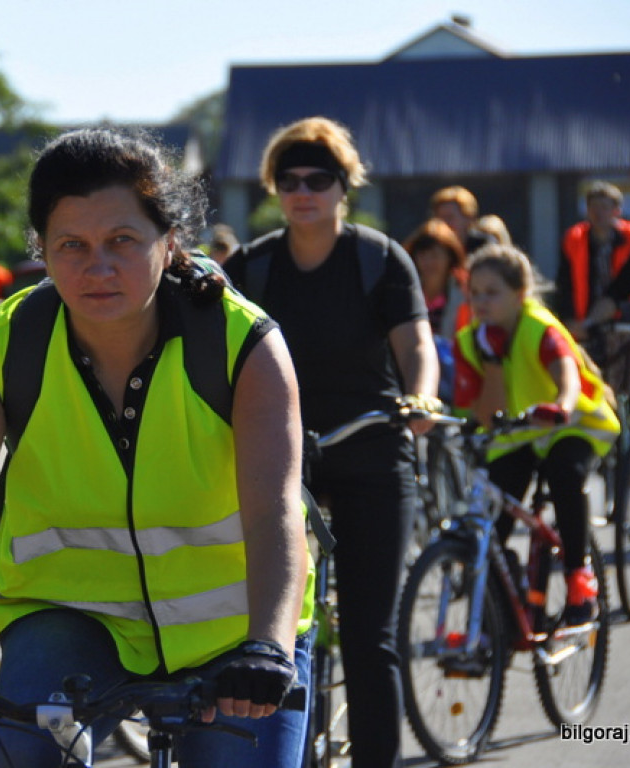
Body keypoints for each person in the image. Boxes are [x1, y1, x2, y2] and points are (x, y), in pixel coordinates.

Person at [0, 127, 314, 768]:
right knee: (21, 754)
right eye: (72, 246)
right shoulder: (0, 351)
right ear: (41, 249)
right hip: (67, 617)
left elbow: (273, 513)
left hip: (239, 630)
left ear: (169, 241)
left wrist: (268, 647)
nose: (98, 267)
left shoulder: (241, 344)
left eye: (122, 240)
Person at [223, 116, 440, 768]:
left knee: (371, 636)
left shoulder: (379, 259)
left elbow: (417, 347)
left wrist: (421, 396)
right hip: (285, 465)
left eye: (318, 178)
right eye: (288, 180)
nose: (302, 190)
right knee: (275, 631)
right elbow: (212, 348)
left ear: (344, 187)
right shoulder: (254, 266)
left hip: (374, 453)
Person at [453, 244, 619, 624]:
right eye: (474, 293)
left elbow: (568, 375)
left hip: (573, 424)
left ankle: (580, 577)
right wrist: (492, 357)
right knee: (495, 516)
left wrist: (560, 406)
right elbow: (487, 415)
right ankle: (505, 612)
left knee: (565, 474)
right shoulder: (471, 340)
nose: (480, 302)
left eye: (492, 292)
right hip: (517, 435)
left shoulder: (539, 326)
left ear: (520, 294)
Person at [555, 181, 630, 340]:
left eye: (604, 207)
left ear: (617, 211)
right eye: (593, 207)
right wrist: (568, 320)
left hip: (629, 322)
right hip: (585, 323)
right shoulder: (574, 239)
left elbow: (628, 283)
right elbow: (564, 284)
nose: (598, 213)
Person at [402, 218, 471, 405]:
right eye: (423, 255)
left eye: (435, 255)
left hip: (457, 381)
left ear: (450, 257)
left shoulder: (466, 295)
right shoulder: (405, 294)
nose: (428, 262)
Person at [429, 185, 496, 256]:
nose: (444, 223)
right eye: (439, 219)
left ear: (468, 218)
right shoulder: (429, 248)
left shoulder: (485, 246)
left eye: (450, 217)